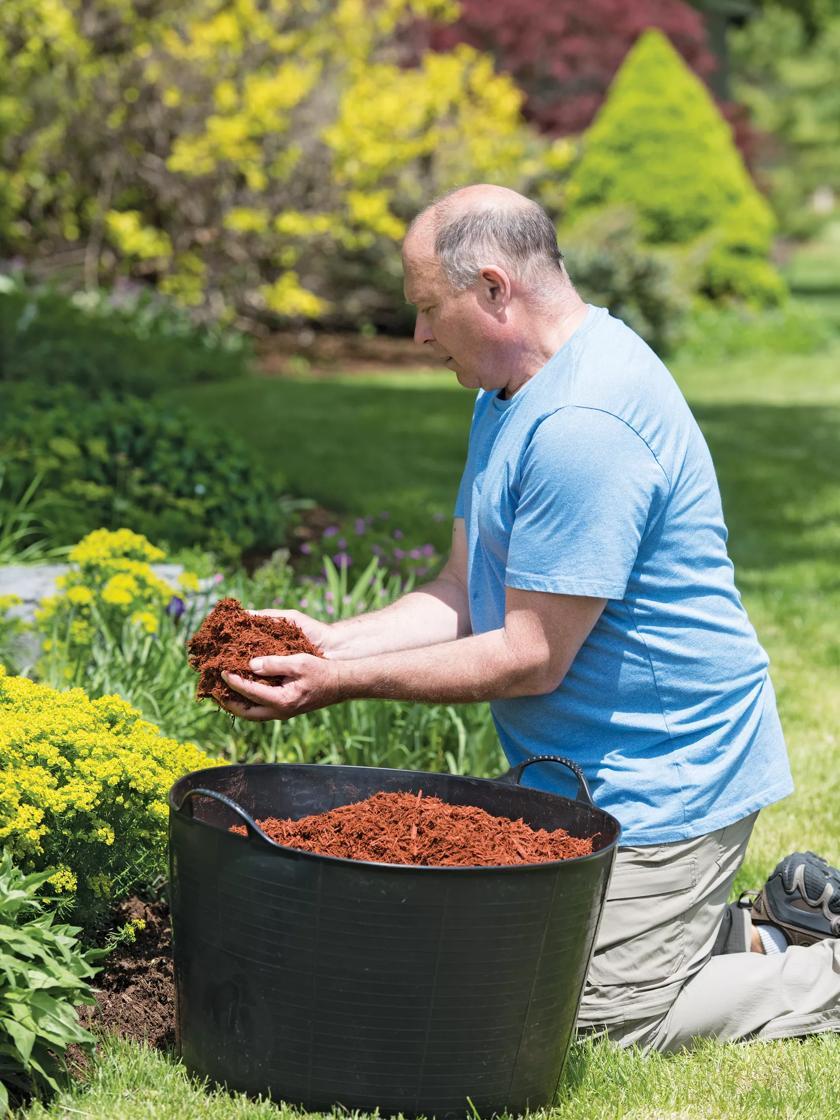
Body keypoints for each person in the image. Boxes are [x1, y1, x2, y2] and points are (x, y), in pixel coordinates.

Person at [220, 185, 840, 1051]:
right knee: (500, 964)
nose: (419, 337)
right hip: (583, 779)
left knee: (581, 1021)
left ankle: (813, 971)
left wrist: (340, 685)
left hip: (670, 780)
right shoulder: (509, 390)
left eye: (428, 310)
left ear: (492, 288)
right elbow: (461, 590)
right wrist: (327, 642)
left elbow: (530, 655)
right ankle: (755, 928)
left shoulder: (586, 422)